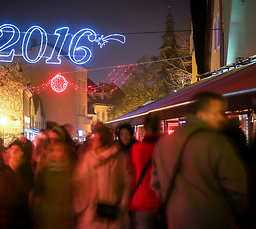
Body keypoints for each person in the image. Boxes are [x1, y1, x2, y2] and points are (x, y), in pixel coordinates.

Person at [150, 91, 248, 229]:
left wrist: (174, 203)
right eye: (218, 113)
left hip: (176, 220)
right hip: (213, 221)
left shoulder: (163, 143)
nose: (223, 119)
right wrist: (225, 210)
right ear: (201, 114)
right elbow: (237, 186)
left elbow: (155, 183)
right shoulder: (217, 142)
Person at [72, 122, 133, 229]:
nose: (94, 141)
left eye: (95, 138)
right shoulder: (120, 157)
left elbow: (78, 183)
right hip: (110, 213)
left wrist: (81, 208)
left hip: (95, 214)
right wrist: (122, 207)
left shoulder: (89, 159)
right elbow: (127, 184)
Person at [0, 139, 33, 229]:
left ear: (22, 155)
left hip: (19, 222)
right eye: (12, 151)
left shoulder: (26, 171)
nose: (14, 154)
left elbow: (26, 189)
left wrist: (16, 169)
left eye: (17, 151)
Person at [32, 140, 77, 229]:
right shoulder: (43, 173)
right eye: (55, 150)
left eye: (60, 150)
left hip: (66, 219)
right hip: (48, 219)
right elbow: (37, 198)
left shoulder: (70, 171)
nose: (59, 153)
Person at [128, 113, 162, 229]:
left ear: (145, 128)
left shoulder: (136, 148)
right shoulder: (166, 148)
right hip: (163, 201)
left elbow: (132, 174)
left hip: (142, 200)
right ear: (159, 127)